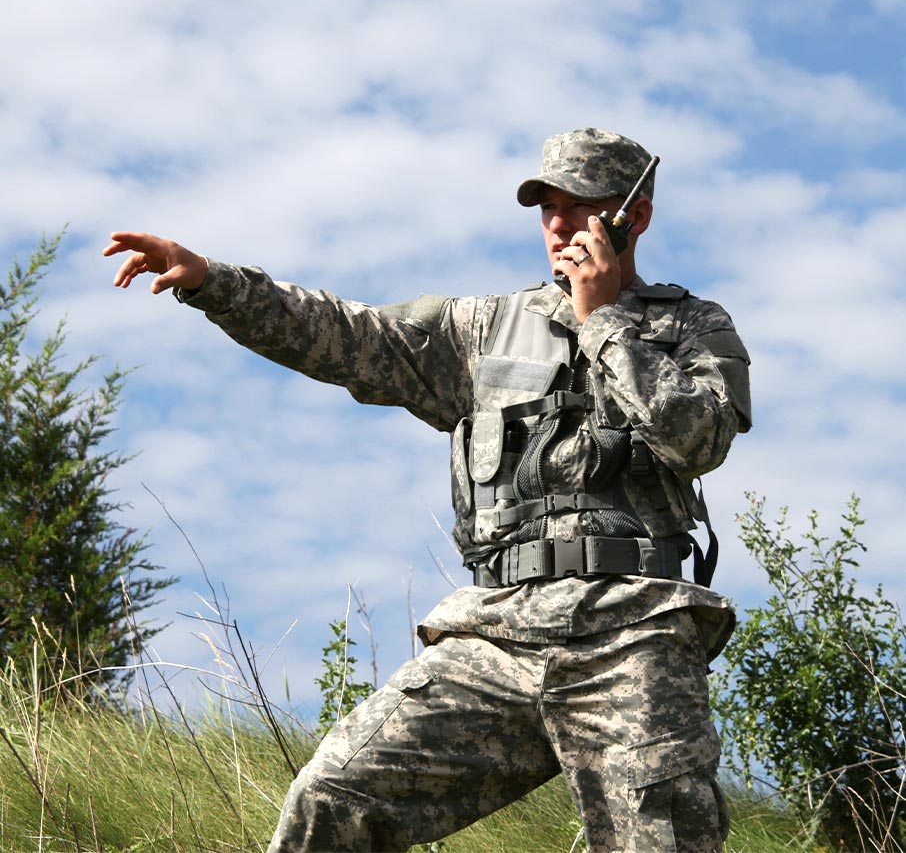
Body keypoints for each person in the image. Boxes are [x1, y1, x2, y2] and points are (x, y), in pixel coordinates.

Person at [104, 128, 751, 853]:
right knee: (333, 798)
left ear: (632, 215)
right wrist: (211, 283)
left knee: (658, 842)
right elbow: (345, 334)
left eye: (581, 205)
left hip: (632, 635)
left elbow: (700, 440)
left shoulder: (691, 326)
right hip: (496, 633)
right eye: (548, 208)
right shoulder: (480, 331)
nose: (562, 225)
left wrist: (604, 321)